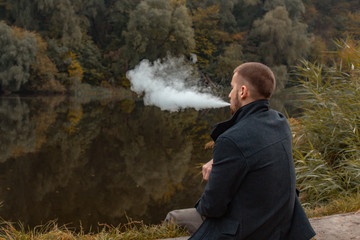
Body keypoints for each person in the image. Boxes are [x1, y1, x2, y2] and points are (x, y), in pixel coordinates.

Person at [165, 62, 316, 239]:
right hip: (279, 224)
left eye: (232, 88)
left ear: (243, 91)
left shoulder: (231, 140)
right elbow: (256, 155)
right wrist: (222, 163)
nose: (229, 95)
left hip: (249, 231)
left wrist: (218, 173)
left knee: (173, 217)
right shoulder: (280, 122)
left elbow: (211, 207)